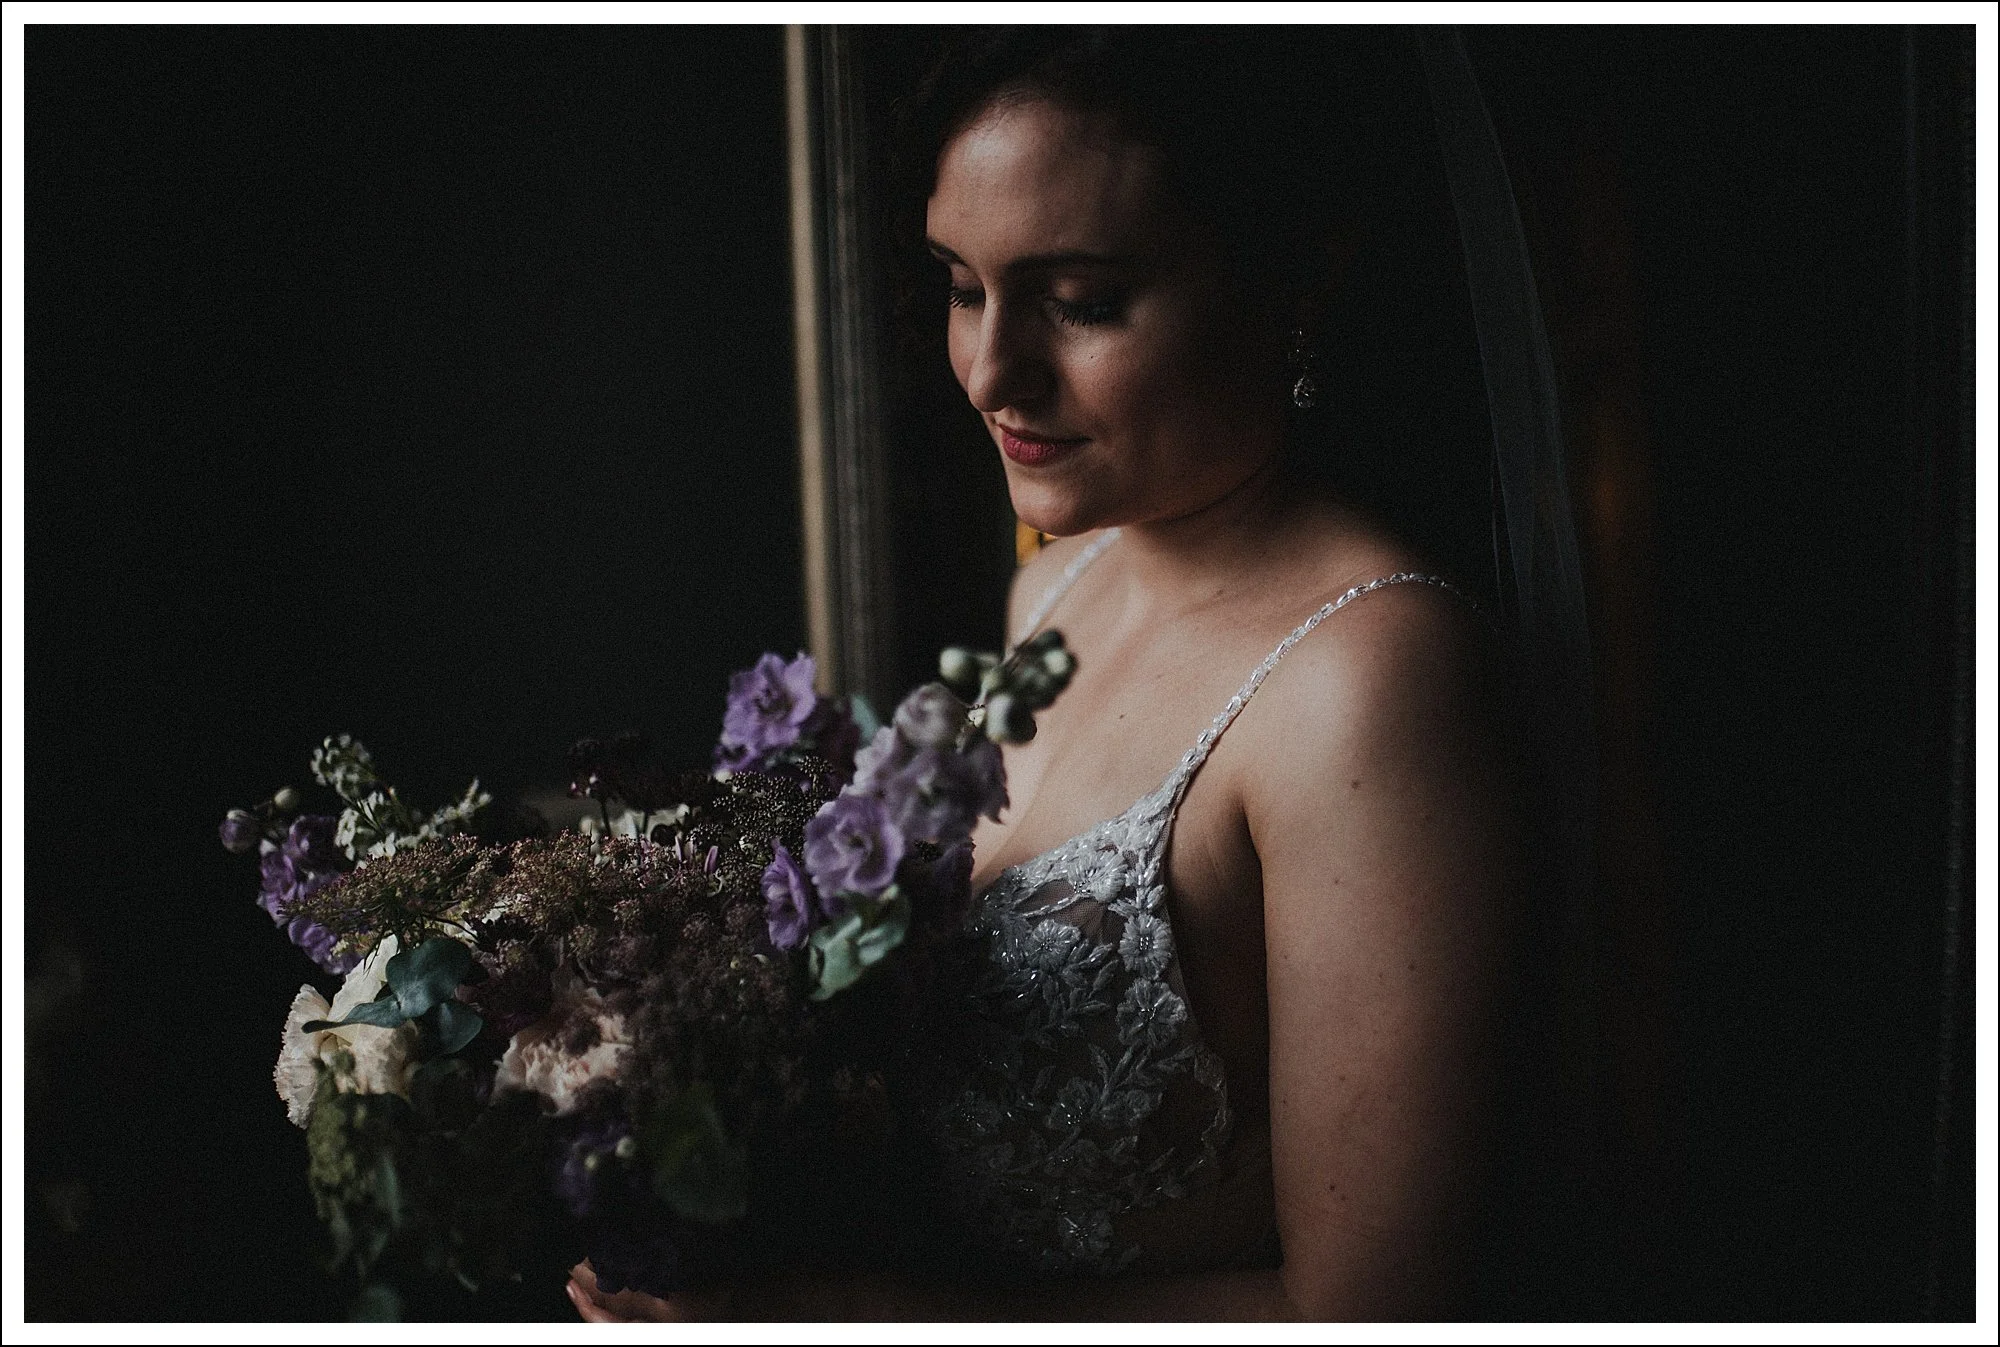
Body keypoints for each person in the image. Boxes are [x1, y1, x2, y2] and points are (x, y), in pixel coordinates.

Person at [571, 27, 1520, 1321]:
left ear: (1292, 271)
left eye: (1078, 302)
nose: (989, 371)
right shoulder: (1051, 584)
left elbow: (1379, 1312)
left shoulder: (1367, 683)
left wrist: (868, 1320)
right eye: (963, 286)